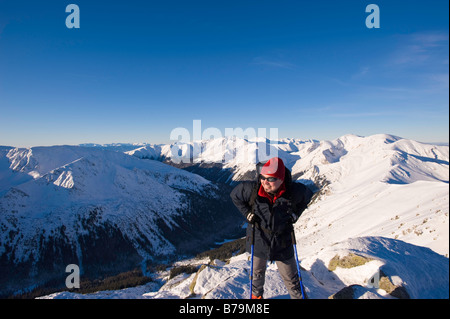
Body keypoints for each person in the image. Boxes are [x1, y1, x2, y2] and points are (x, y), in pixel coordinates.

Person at [230, 157, 313, 299]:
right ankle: (256, 298)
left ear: (281, 179)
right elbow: (235, 196)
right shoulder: (251, 190)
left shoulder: (293, 192)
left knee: (292, 279)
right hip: (258, 238)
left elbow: (307, 196)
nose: (265, 182)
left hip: (282, 241)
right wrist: (248, 214)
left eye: (271, 179)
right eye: (262, 177)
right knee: (256, 274)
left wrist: (295, 214)